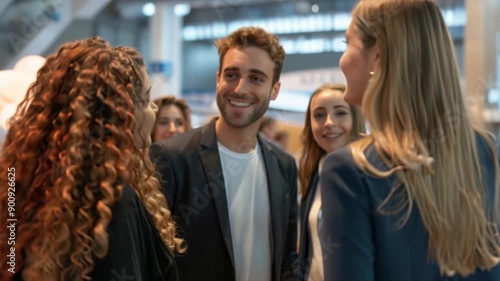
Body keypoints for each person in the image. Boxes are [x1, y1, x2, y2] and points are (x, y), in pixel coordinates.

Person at [320, 0, 500, 280]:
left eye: (347, 44)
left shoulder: (350, 170)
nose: (341, 59)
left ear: (376, 55)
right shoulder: (489, 151)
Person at [0, 37, 184, 281]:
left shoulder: (25, 185)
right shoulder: (116, 201)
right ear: (121, 112)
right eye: (146, 98)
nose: (153, 109)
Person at [150, 26, 298, 281]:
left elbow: (287, 258)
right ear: (218, 78)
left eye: (256, 78)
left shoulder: (284, 165)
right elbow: (153, 261)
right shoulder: (172, 158)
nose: (240, 88)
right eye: (231, 75)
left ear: (275, 89)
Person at [297, 83, 364, 281]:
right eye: (319, 115)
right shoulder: (312, 173)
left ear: (355, 118)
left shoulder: (372, 174)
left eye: (340, 113)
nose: (328, 122)